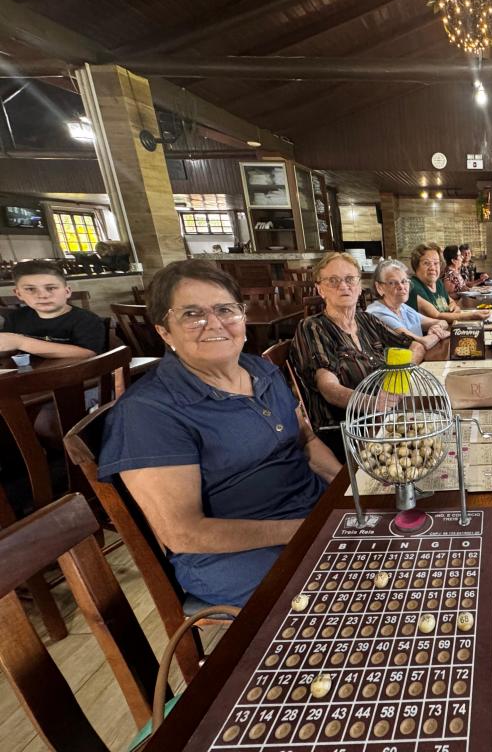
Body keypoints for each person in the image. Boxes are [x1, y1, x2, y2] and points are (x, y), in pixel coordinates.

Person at [97, 260, 342, 607]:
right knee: (356, 594)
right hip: (237, 554)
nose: (214, 323)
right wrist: (306, 529)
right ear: (164, 332)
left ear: (242, 316)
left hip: (310, 513)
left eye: (225, 309)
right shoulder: (150, 411)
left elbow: (307, 442)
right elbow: (183, 533)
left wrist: (350, 492)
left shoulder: (260, 369)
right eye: (192, 314)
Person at [292, 252, 426, 436]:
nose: (343, 286)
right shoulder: (313, 327)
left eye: (350, 279)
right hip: (348, 429)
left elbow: (416, 346)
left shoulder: (366, 320)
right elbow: (328, 388)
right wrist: (374, 403)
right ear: (320, 289)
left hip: (386, 419)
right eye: (333, 280)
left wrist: (399, 377)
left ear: (359, 286)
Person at [0, 260, 106, 358]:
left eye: (51, 288)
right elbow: (8, 350)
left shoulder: (86, 319)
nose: (43, 295)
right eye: (30, 289)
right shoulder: (16, 317)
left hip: (74, 371)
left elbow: (87, 353)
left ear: (67, 291)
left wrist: (21, 342)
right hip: (29, 371)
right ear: (19, 294)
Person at [366, 258, 451, 351]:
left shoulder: (403, 308)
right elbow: (421, 342)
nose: (401, 286)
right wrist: (439, 334)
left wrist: (436, 328)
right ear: (379, 287)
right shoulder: (377, 314)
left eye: (404, 281)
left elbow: (442, 322)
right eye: (392, 283)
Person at [406, 243, 490, 324]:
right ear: (416, 265)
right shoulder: (412, 286)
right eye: (426, 263)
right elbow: (437, 316)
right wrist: (471, 316)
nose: (432, 267)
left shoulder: (438, 283)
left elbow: (451, 301)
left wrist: (454, 307)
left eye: (436, 263)